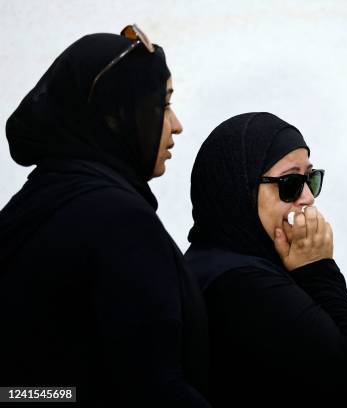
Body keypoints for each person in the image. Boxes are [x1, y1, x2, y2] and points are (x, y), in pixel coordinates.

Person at [0, 26, 211, 407]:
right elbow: (152, 386)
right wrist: (319, 272)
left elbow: (24, 391)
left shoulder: (36, 201)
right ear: (115, 117)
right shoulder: (120, 221)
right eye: (162, 104)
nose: (176, 125)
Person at [186, 112, 347, 407]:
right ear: (239, 189)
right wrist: (319, 270)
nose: (307, 197)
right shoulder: (239, 282)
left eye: (310, 179)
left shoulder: (233, 262)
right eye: (290, 183)